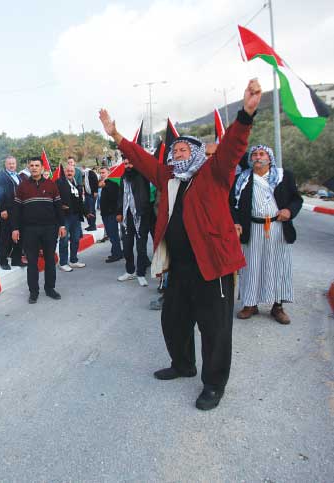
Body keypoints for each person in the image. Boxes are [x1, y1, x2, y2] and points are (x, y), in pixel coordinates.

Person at [98, 78, 262, 411]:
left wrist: (245, 114)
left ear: (199, 153)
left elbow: (232, 147)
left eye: (184, 149)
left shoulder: (214, 172)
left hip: (212, 264)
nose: (178, 153)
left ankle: (214, 384)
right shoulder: (168, 176)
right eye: (175, 150)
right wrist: (115, 135)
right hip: (181, 265)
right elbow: (142, 160)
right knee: (173, 319)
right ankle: (183, 364)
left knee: (214, 328)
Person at [231, 144, 302, 324]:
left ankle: (277, 307)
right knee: (251, 267)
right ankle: (250, 304)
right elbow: (231, 203)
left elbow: (296, 199)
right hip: (252, 228)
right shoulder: (241, 179)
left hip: (277, 227)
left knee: (278, 266)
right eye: (254, 154)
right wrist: (236, 222)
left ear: (269, 158)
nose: (257, 157)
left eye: (262, 154)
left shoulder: (283, 176)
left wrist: (289, 211)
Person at [11, 157, 66, 303]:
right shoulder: (22, 187)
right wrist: (15, 228)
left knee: (49, 260)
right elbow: (16, 210)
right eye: (31, 165)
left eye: (37, 165)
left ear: (42, 168)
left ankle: (50, 289)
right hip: (29, 230)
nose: (34, 168)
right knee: (32, 262)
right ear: (28, 168)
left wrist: (62, 225)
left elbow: (58, 207)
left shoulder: (51, 185)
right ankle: (33, 292)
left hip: (50, 229)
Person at [117, 154, 153, 286]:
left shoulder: (143, 176)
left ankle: (141, 273)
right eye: (125, 164)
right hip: (127, 218)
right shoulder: (123, 178)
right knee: (126, 247)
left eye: (130, 163)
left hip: (141, 216)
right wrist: (119, 212)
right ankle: (130, 271)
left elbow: (146, 196)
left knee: (141, 248)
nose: (128, 166)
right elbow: (121, 196)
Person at [0, 155, 26, 270]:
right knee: (6, 236)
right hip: (6, 211)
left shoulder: (18, 176)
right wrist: (2, 209)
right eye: (9, 163)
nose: (12, 165)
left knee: (19, 235)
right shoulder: (1, 177)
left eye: (13, 163)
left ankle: (16, 260)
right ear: (5, 164)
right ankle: (3, 260)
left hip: (18, 211)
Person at [56, 165, 87, 271]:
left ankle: (73, 260)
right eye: (68, 171)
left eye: (71, 171)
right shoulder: (59, 182)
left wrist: (86, 213)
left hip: (76, 216)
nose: (69, 172)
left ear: (75, 172)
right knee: (64, 240)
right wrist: (60, 205)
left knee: (76, 239)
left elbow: (79, 200)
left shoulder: (76, 183)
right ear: (64, 172)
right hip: (65, 216)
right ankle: (63, 262)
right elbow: (54, 197)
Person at [98, 166, 123, 263]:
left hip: (111, 213)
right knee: (111, 234)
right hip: (105, 213)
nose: (101, 174)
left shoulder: (112, 183)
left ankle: (117, 254)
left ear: (109, 173)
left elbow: (114, 198)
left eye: (103, 172)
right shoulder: (103, 184)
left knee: (113, 235)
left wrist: (105, 186)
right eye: (100, 173)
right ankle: (116, 252)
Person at [83, 165, 100, 231]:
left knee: (91, 210)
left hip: (92, 194)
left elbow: (96, 181)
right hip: (87, 194)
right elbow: (85, 185)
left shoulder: (91, 173)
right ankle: (90, 224)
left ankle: (93, 225)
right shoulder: (84, 175)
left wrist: (95, 191)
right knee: (86, 210)